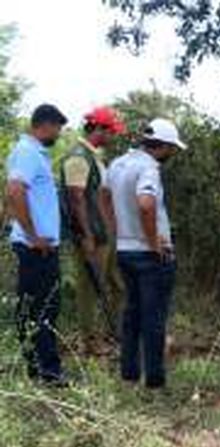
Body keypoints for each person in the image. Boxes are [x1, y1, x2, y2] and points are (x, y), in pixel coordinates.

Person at [100, 118, 186, 389]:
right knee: (154, 317)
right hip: (150, 256)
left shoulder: (117, 164)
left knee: (132, 314)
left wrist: (116, 230)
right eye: (172, 148)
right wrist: (152, 243)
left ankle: (129, 375)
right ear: (162, 146)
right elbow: (146, 205)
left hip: (125, 251)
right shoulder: (149, 168)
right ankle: (155, 381)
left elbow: (102, 195)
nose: (172, 154)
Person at [4, 104, 68, 385]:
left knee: (36, 307)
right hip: (35, 248)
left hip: (38, 246)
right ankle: (48, 372)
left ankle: (35, 367)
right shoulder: (28, 153)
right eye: (57, 128)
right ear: (45, 124)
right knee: (43, 308)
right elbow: (14, 191)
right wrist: (32, 236)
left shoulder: (31, 153)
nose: (57, 134)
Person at [60, 107, 127, 351]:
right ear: (99, 129)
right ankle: (89, 341)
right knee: (89, 287)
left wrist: (111, 229)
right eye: (111, 132)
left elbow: (99, 196)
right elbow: (75, 198)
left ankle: (116, 331)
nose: (113, 137)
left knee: (116, 283)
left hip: (103, 233)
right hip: (91, 235)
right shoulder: (78, 157)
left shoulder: (93, 156)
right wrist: (86, 235)